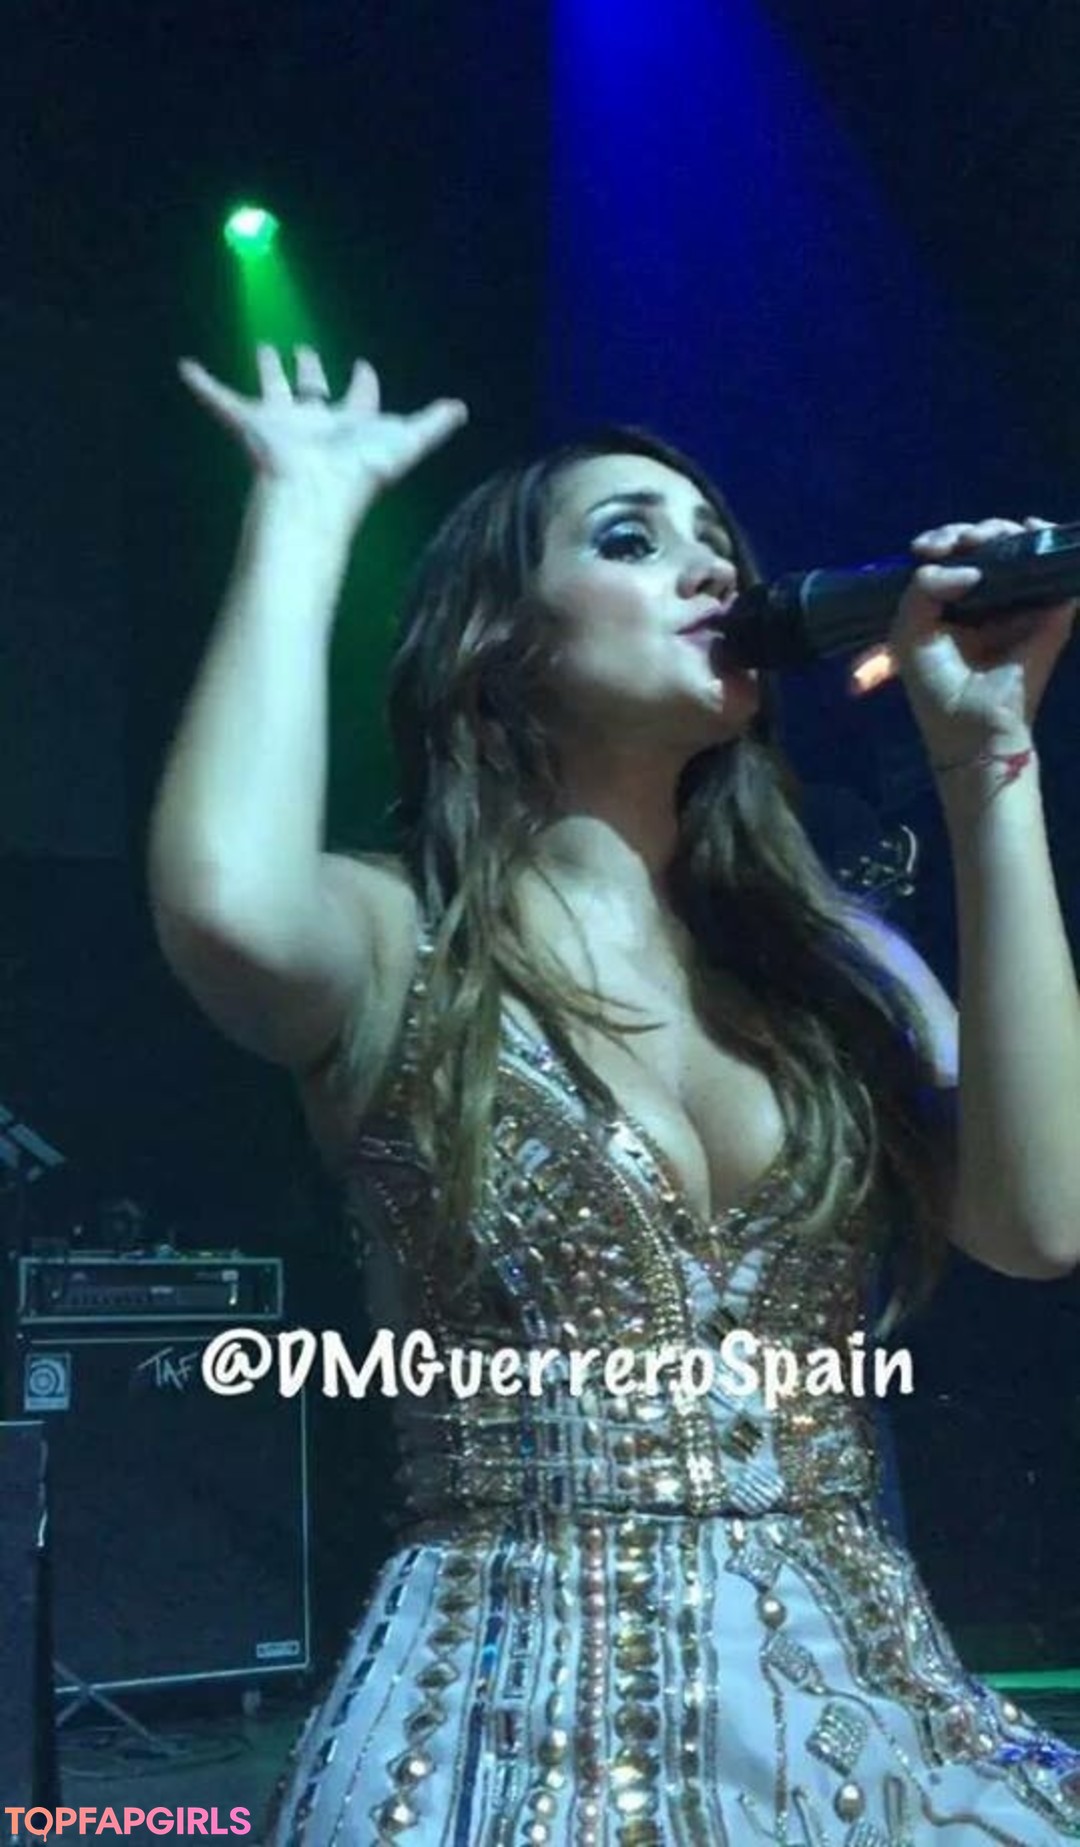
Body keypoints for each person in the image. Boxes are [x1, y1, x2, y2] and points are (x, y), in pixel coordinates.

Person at [149, 342, 1080, 1844]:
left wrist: (992, 765)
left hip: (867, 1712)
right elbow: (226, 906)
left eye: (719, 545)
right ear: (500, 638)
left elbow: (1041, 1221)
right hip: (502, 1727)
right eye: (632, 540)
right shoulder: (399, 937)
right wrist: (307, 509)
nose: (711, 571)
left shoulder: (837, 964)